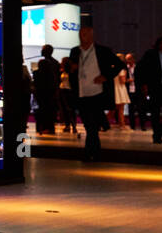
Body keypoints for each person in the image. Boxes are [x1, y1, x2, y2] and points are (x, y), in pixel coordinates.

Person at [68, 25, 124, 161]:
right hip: (81, 92)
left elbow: (119, 65)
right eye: (81, 34)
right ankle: (94, 152)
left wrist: (105, 76)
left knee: (92, 125)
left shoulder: (103, 51)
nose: (83, 37)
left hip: (97, 92)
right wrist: (72, 69)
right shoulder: (75, 51)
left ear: (92, 36)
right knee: (89, 125)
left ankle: (90, 153)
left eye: (86, 34)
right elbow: (70, 69)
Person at [34, 45, 61, 135]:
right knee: (48, 109)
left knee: (47, 109)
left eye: (42, 49)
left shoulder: (48, 63)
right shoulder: (55, 62)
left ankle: (47, 127)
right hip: (50, 90)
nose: (41, 51)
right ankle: (47, 127)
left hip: (47, 90)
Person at [58, 57, 77, 134]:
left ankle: (73, 125)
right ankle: (67, 125)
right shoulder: (62, 71)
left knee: (71, 109)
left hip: (69, 91)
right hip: (62, 90)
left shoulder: (72, 72)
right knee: (64, 109)